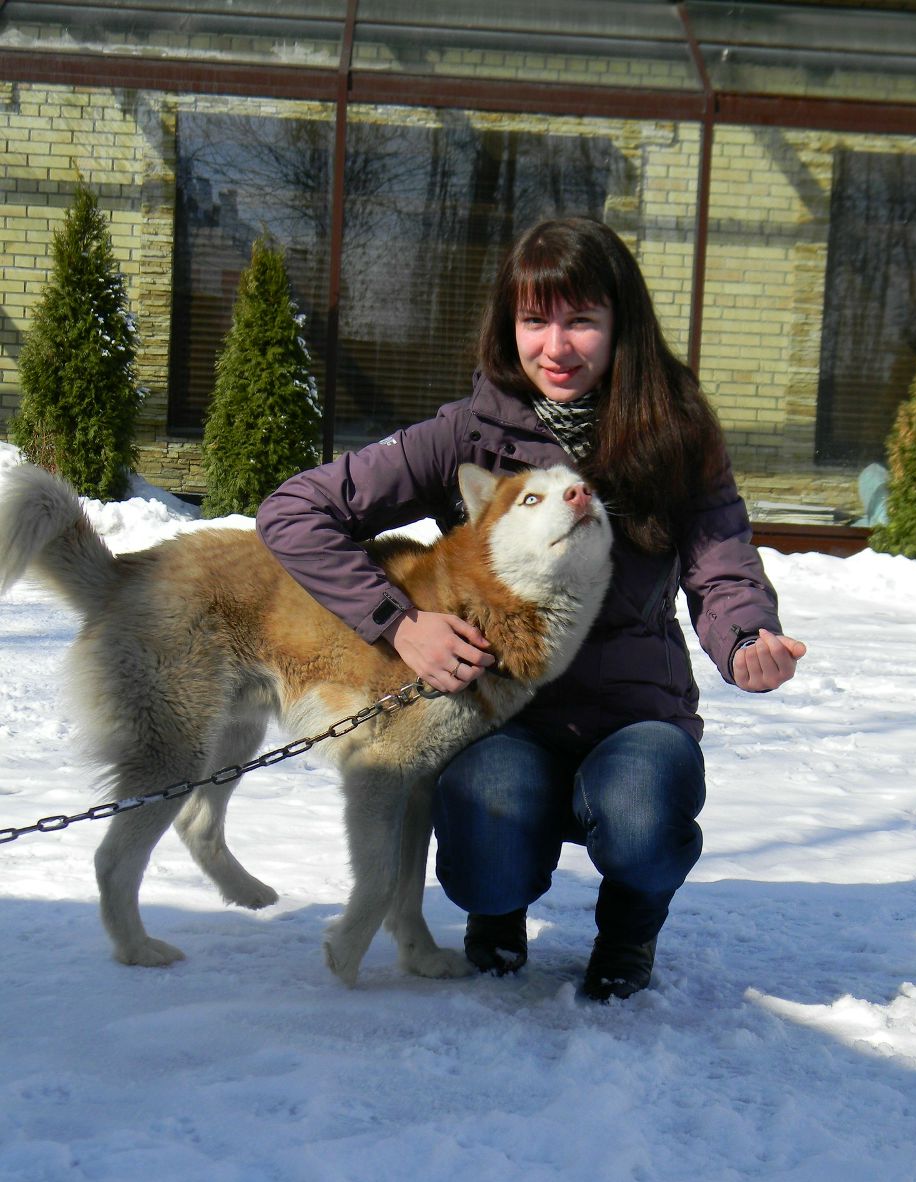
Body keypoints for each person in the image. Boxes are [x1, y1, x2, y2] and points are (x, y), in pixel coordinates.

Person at [256, 216, 805, 1002]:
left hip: (632, 715)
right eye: (534, 319)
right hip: (498, 719)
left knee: (645, 816)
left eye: (580, 319)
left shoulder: (677, 434)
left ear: (622, 324)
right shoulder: (465, 434)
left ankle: (628, 928)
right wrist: (399, 621)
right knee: (485, 843)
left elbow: (721, 563)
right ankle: (498, 911)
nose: (555, 345)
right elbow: (294, 513)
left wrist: (746, 635)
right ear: (507, 325)